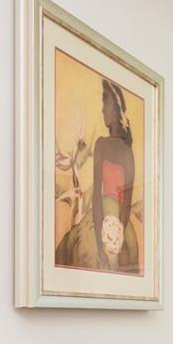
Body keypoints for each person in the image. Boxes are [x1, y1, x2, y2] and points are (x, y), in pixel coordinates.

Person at [55, 78, 139, 274]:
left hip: (106, 217)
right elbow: (124, 205)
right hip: (113, 219)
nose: (102, 110)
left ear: (116, 109)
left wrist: (110, 239)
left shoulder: (106, 145)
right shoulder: (118, 149)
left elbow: (118, 200)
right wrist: (118, 232)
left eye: (105, 102)